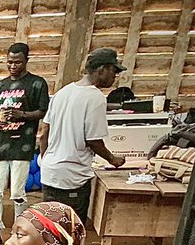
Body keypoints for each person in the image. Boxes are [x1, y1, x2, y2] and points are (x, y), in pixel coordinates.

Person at [38, 48, 128, 224]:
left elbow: (44, 134)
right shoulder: (95, 97)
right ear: (101, 69)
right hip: (72, 176)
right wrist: (112, 159)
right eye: (113, 71)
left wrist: (46, 160)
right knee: (72, 229)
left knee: (50, 228)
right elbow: (93, 140)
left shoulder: (62, 92)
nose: (115, 76)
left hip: (50, 173)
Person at [0, 44, 49, 245]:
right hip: (1, 144)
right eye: (9, 62)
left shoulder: (37, 84)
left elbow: (43, 112)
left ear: (27, 60)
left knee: (18, 193)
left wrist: (23, 115)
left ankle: (19, 230)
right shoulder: (0, 86)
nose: (13, 66)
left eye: (17, 62)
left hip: (23, 145)